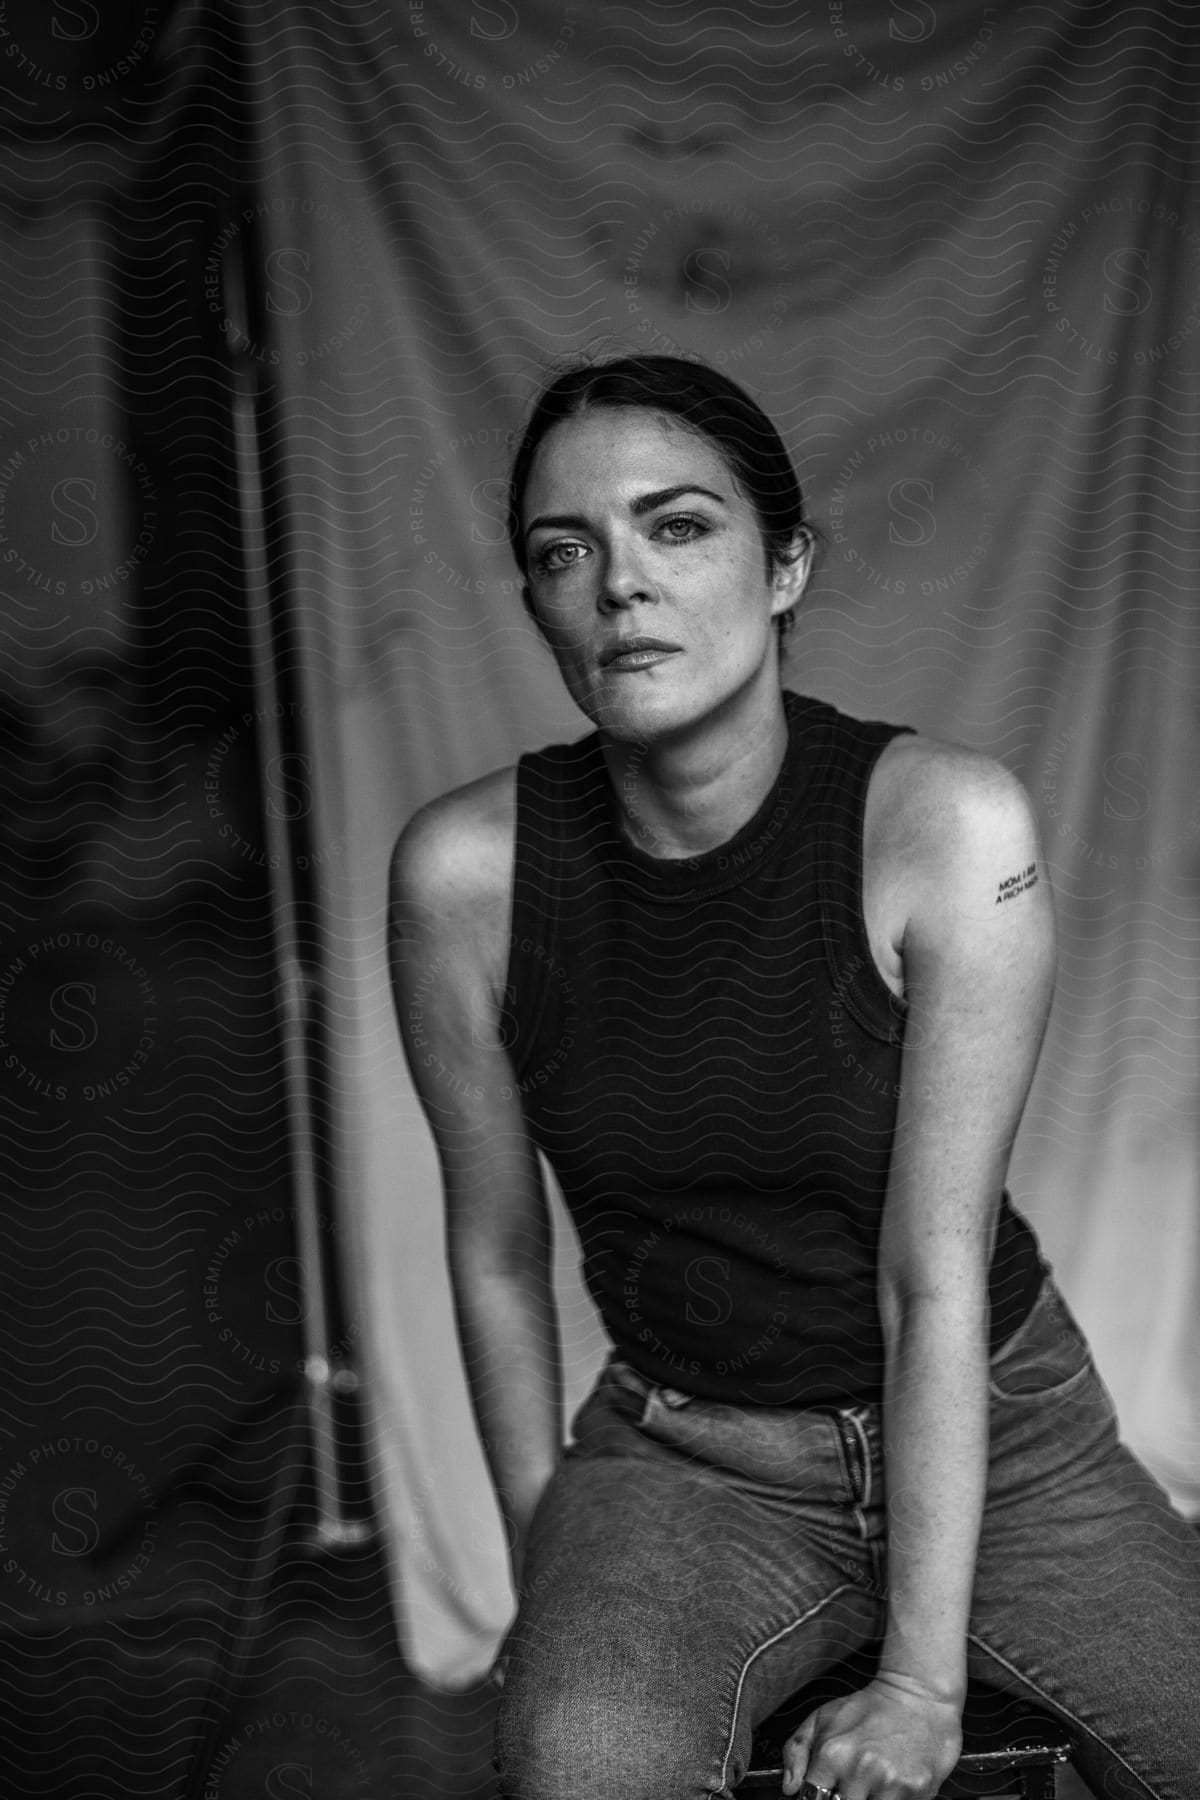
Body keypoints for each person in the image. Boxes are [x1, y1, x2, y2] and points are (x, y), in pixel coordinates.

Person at [388, 354, 1200, 1800]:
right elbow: (497, 1249)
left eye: (676, 525)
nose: (618, 583)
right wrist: (545, 1557)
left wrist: (919, 1684)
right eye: (562, 553)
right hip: (689, 1458)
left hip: (1006, 1437)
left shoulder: (946, 825)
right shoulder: (465, 874)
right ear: (538, 605)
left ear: (785, 565)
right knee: (575, 1766)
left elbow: (931, 1278)